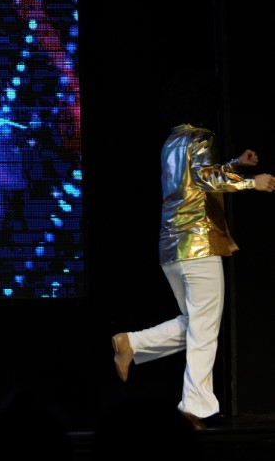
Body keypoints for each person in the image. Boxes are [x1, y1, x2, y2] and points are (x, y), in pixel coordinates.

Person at [110, 124, 272, 428]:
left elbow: (196, 177)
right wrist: (251, 183)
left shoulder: (172, 141)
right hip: (199, 246)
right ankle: (192, 408)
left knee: (197, 324)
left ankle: (131, 343)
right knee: (204, 331)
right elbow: (205, 178)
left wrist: (235, 164)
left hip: (173, 248)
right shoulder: (201, 136)